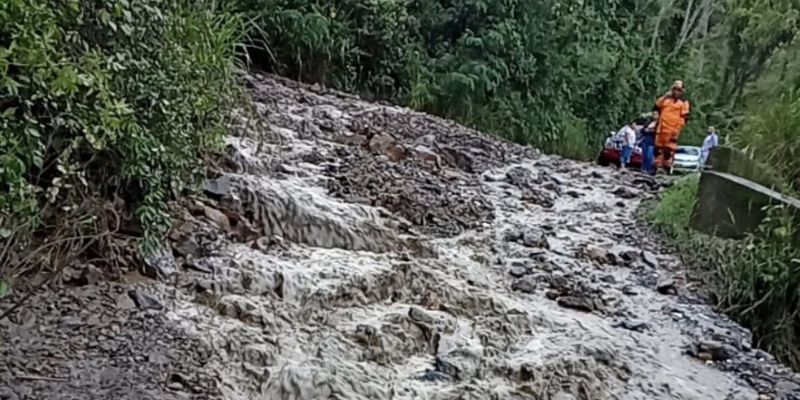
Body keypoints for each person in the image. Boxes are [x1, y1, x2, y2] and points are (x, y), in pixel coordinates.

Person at [653, 80, 691, 174]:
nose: (676, 92)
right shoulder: (665, 99)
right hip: (661, 129)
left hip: (672, 131)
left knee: (668, 151)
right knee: (658, 150)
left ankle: (666, 168)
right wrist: (666, 95)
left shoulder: (683, 102)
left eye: (678, 90)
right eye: (675, 89)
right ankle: (658, 168)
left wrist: (677, 129)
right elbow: (656, 106)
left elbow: (684, 117)